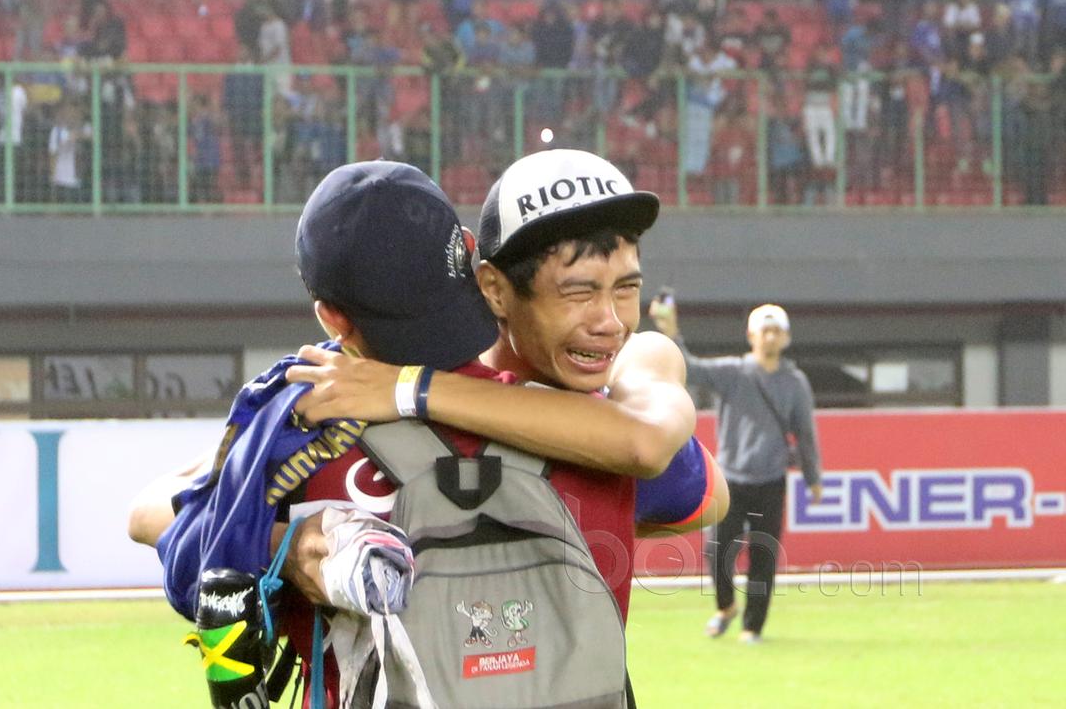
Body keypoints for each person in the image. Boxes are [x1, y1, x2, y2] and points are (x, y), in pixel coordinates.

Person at [129, 156, 716, 706]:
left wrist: (293, 542)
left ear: (330, 316)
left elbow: (154, 512)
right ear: (472, 276)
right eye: (579, 291)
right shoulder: (598, 436)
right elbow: (701, 493)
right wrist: (653, 362)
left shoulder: (307, 431)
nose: (609, 321)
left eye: (625, 289)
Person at [651, 299, 821, 644]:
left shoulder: (795, 382)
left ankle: (752, 627)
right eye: (765, 330)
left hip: (771, 480)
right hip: (728, 479)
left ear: (786, 338)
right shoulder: (733, 372)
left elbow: (805, 432)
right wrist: (671, 333)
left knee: (763, 556)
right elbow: (691, 369)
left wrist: (812, 476)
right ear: (751, 335)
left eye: (777, 331)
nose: (770, 337)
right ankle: (725, 606)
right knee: (716, 550)